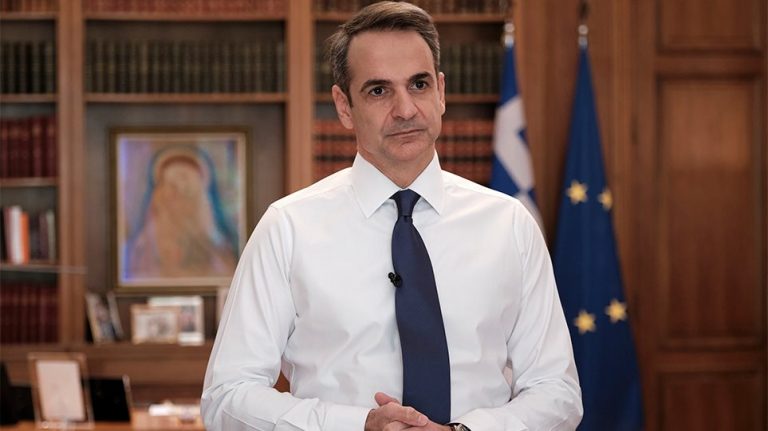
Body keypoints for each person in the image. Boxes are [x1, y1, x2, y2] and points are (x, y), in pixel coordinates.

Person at [201, 2, 582, 430]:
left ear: (440, 92)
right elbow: (227, 397)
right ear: (344, 106)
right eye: (379, 91)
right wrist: (357, 425)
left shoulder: (509, 224)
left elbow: (557, 391)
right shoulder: (288, 228)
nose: (405, 109)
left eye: (419, 84)